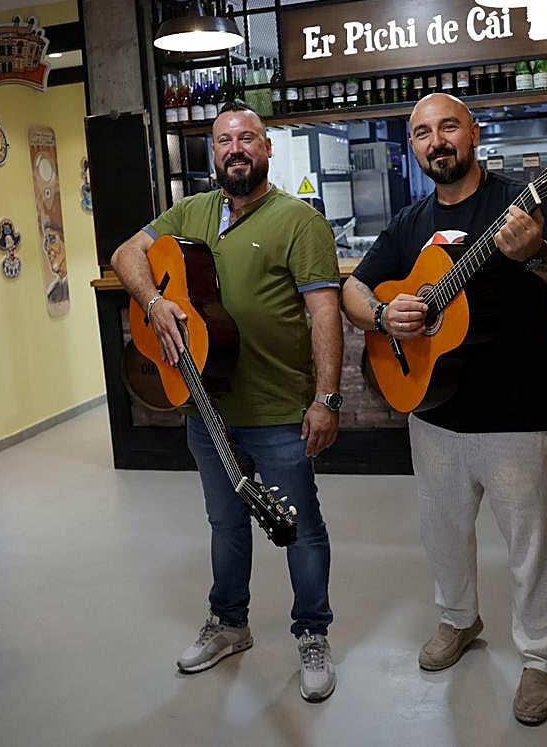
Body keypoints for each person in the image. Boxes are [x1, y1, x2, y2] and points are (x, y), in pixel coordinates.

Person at [340, 92, 547, 726]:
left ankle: (538, 662)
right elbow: (353, 287)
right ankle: (459, 619)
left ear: (474, 133)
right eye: (423, 133)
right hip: (430, 410)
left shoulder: (522, 202)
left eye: (448, 126)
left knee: (531, 547)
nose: (437, 141)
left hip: (515, 410)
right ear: (415, 147)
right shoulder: (409, 222)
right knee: (443, 534)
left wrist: (535, 252)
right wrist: (380, 314)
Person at [110, 100, 343, 702]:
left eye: (246, 139)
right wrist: (154, 302)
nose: (234, 150)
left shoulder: (299, 221)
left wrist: (326, 398)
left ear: (267, 149)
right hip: (206, 409)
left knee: (300, 528)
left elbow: (325, 314)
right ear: (212, 153)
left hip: (277, 411)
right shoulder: (191, 211)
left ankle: (312, 634)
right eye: (222, 141)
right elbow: (125, 255)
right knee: (225, 523)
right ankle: (230, 624)